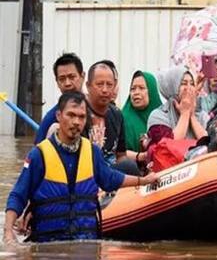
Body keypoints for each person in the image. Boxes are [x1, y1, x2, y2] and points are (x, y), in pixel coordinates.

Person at [3, 91, 159, 244]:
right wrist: (8, 232)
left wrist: (144, 180)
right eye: (71, 115)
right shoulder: (38, 155)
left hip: (86, 244)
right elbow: (18, 195)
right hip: (48, 244)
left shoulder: (92, 152)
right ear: (58, 116)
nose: (76, 121)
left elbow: (111, 179)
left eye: (81, 117)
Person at [85, 61, 139, 176]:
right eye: (99, 84)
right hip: (85, 175)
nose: (105, 90)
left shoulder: (117, 114)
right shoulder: (79, 113)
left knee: (130, 167)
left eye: (109, 85)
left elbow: (121, 156)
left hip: (110, 174)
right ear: (88, 86)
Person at [147, 66, 208, 146]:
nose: (188, 88)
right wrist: (185, 114)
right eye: (183, 84)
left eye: (192, 84)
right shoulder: (158, 116)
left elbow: (208, 144)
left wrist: (192, 116)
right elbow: (169, 146)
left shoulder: (201, 115)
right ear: (172, 87)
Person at [34, 53, 86, 144]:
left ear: (82, 76)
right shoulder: (50, 119)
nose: (67, 83)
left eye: (72, 77)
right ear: (57, 82)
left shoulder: (97, 109)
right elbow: (37, 153)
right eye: (62, 79)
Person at [121, 71, 163, 165]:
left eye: (141, 88)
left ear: (152, 91)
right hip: (133, 173)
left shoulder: (163, 117)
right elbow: (117, 154)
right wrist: (141, 156)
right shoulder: (123, 118)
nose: (136, 93)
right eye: (133, 89)